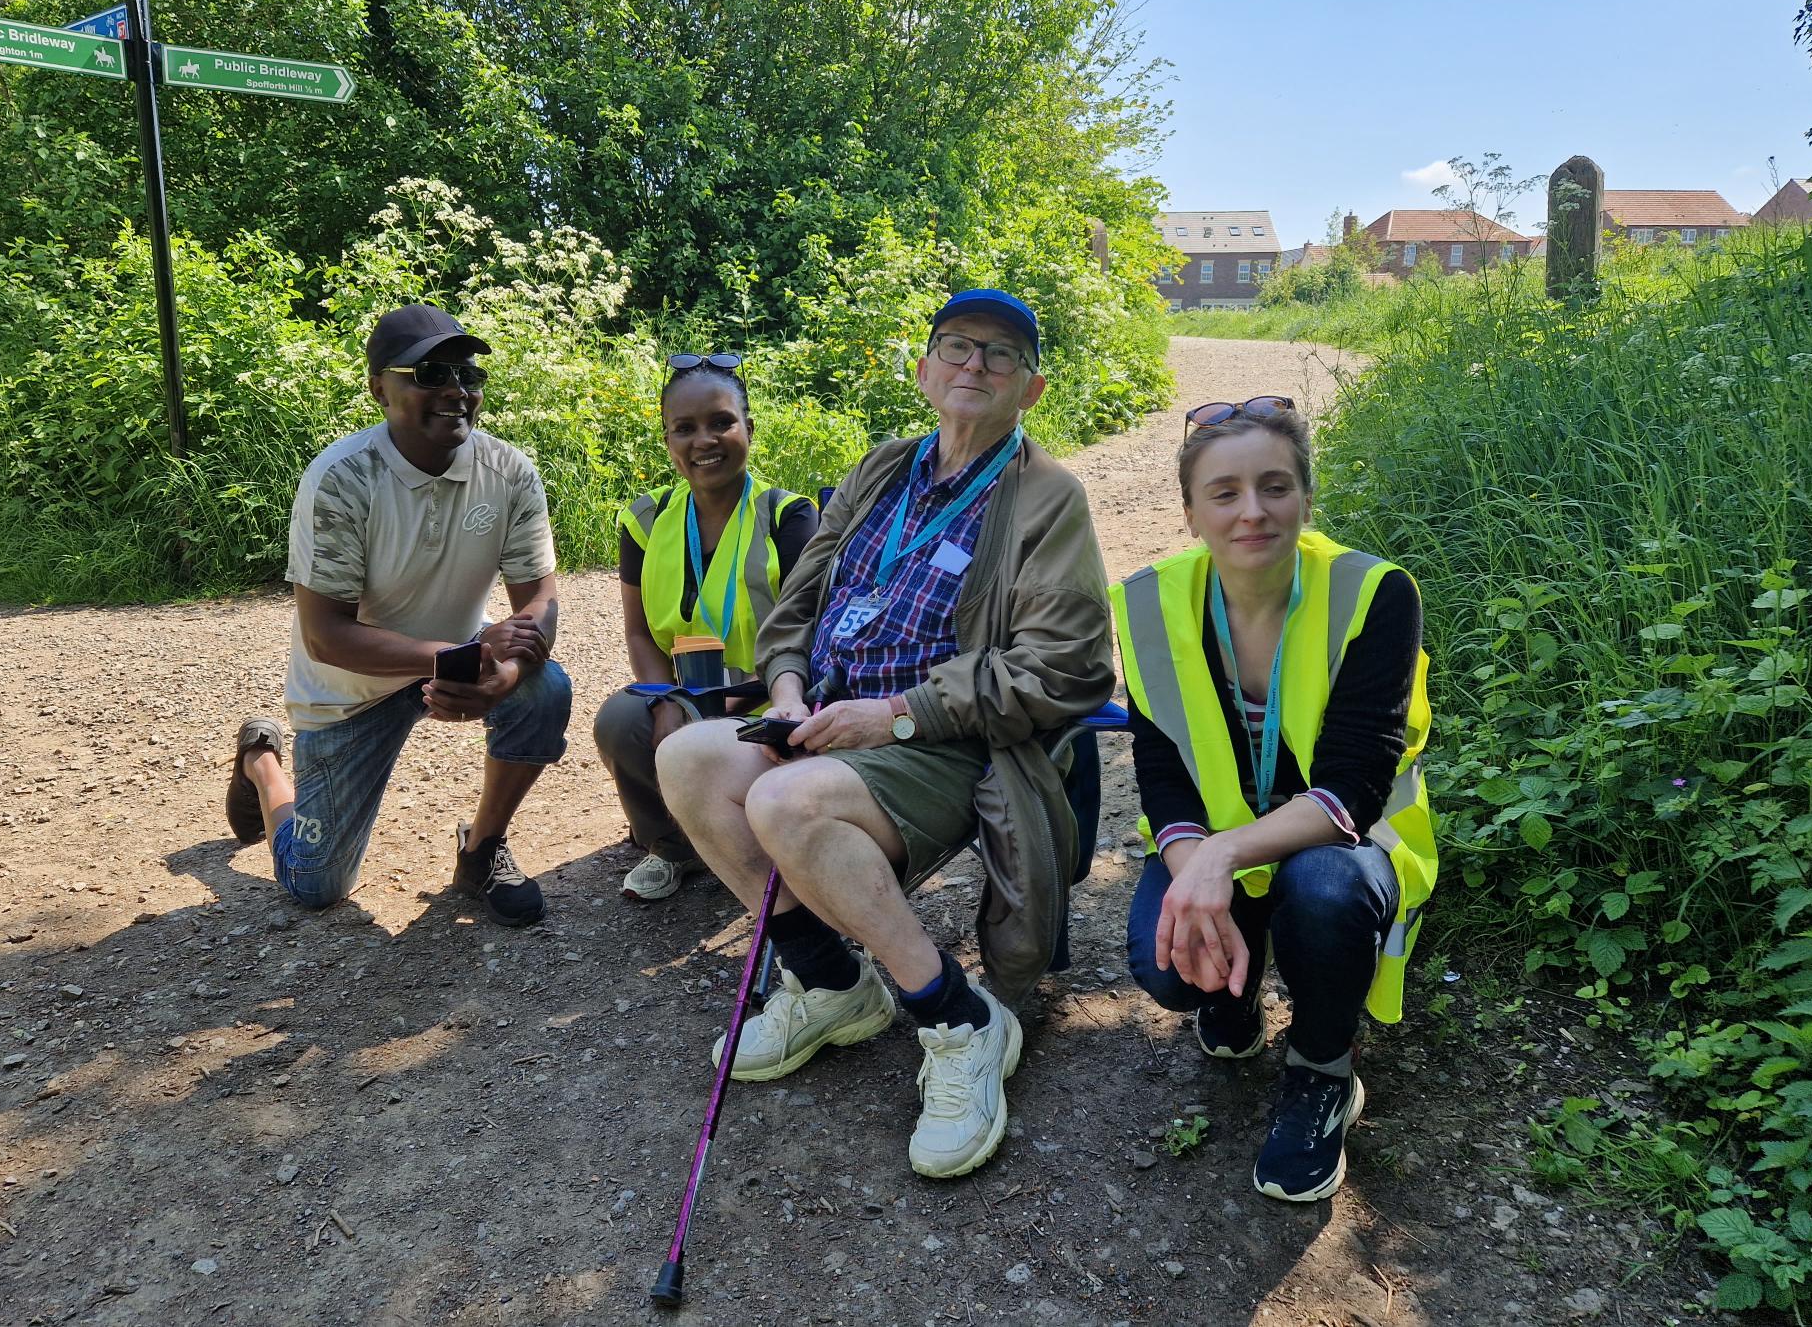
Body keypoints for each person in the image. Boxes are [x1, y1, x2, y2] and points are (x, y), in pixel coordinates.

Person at [656, 288, 1113, 1180]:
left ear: (1034, 389)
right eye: (956, 347)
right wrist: (786, 687)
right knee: (686, 756)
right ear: (923, 369)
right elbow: (803, 600)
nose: (975, 365)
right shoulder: (880, 469)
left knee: (784, 801)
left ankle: (960, 1021)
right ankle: (829, 982)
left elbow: (1067, 669)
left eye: (1001, 355)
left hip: (944, 744)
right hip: (827, 712)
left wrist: (898, 713)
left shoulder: (1049, 497)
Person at [1111, 396, 1435, 1203]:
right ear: (1190, 512)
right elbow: (1163, 773)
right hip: (1221, 839)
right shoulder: (1149, 604)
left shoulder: (1374, 593)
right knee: (1167, 966)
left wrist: (1221, 856)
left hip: (1341, 840)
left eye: (1275, 486)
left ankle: (1323, 1070)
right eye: (1224, 493)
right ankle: (1236, 989)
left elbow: (1356, 785)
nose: (1252, 511)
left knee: (1324, 892)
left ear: (1305, 498)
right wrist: (1195, 875)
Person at [223, 303, 573, 926]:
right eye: (430, 374)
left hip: (455, 658)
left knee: (546, 690)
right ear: (379, 387)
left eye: (468, 375)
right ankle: (262, 764)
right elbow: (326, 636)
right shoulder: (342, 479)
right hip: (349, 690)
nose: (455, 391)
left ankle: (482, 848)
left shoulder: (509, 473)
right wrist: (460, 657)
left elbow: (540, 602)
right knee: (315, 883)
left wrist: (508, 675)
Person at [594, 352, 819, 901]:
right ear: (668, 440)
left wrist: (725, 706)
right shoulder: (644, 520)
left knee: (719, 741)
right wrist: (666, 699)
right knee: (622, 718)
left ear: (749, 428)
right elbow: (640, 633)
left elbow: (808, 638)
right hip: (687, 692)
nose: (705, 441)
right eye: (685, 428)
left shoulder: (788, 517)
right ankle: (672, 845)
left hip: (771, 696)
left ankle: (753, 842)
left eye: (721, 422)